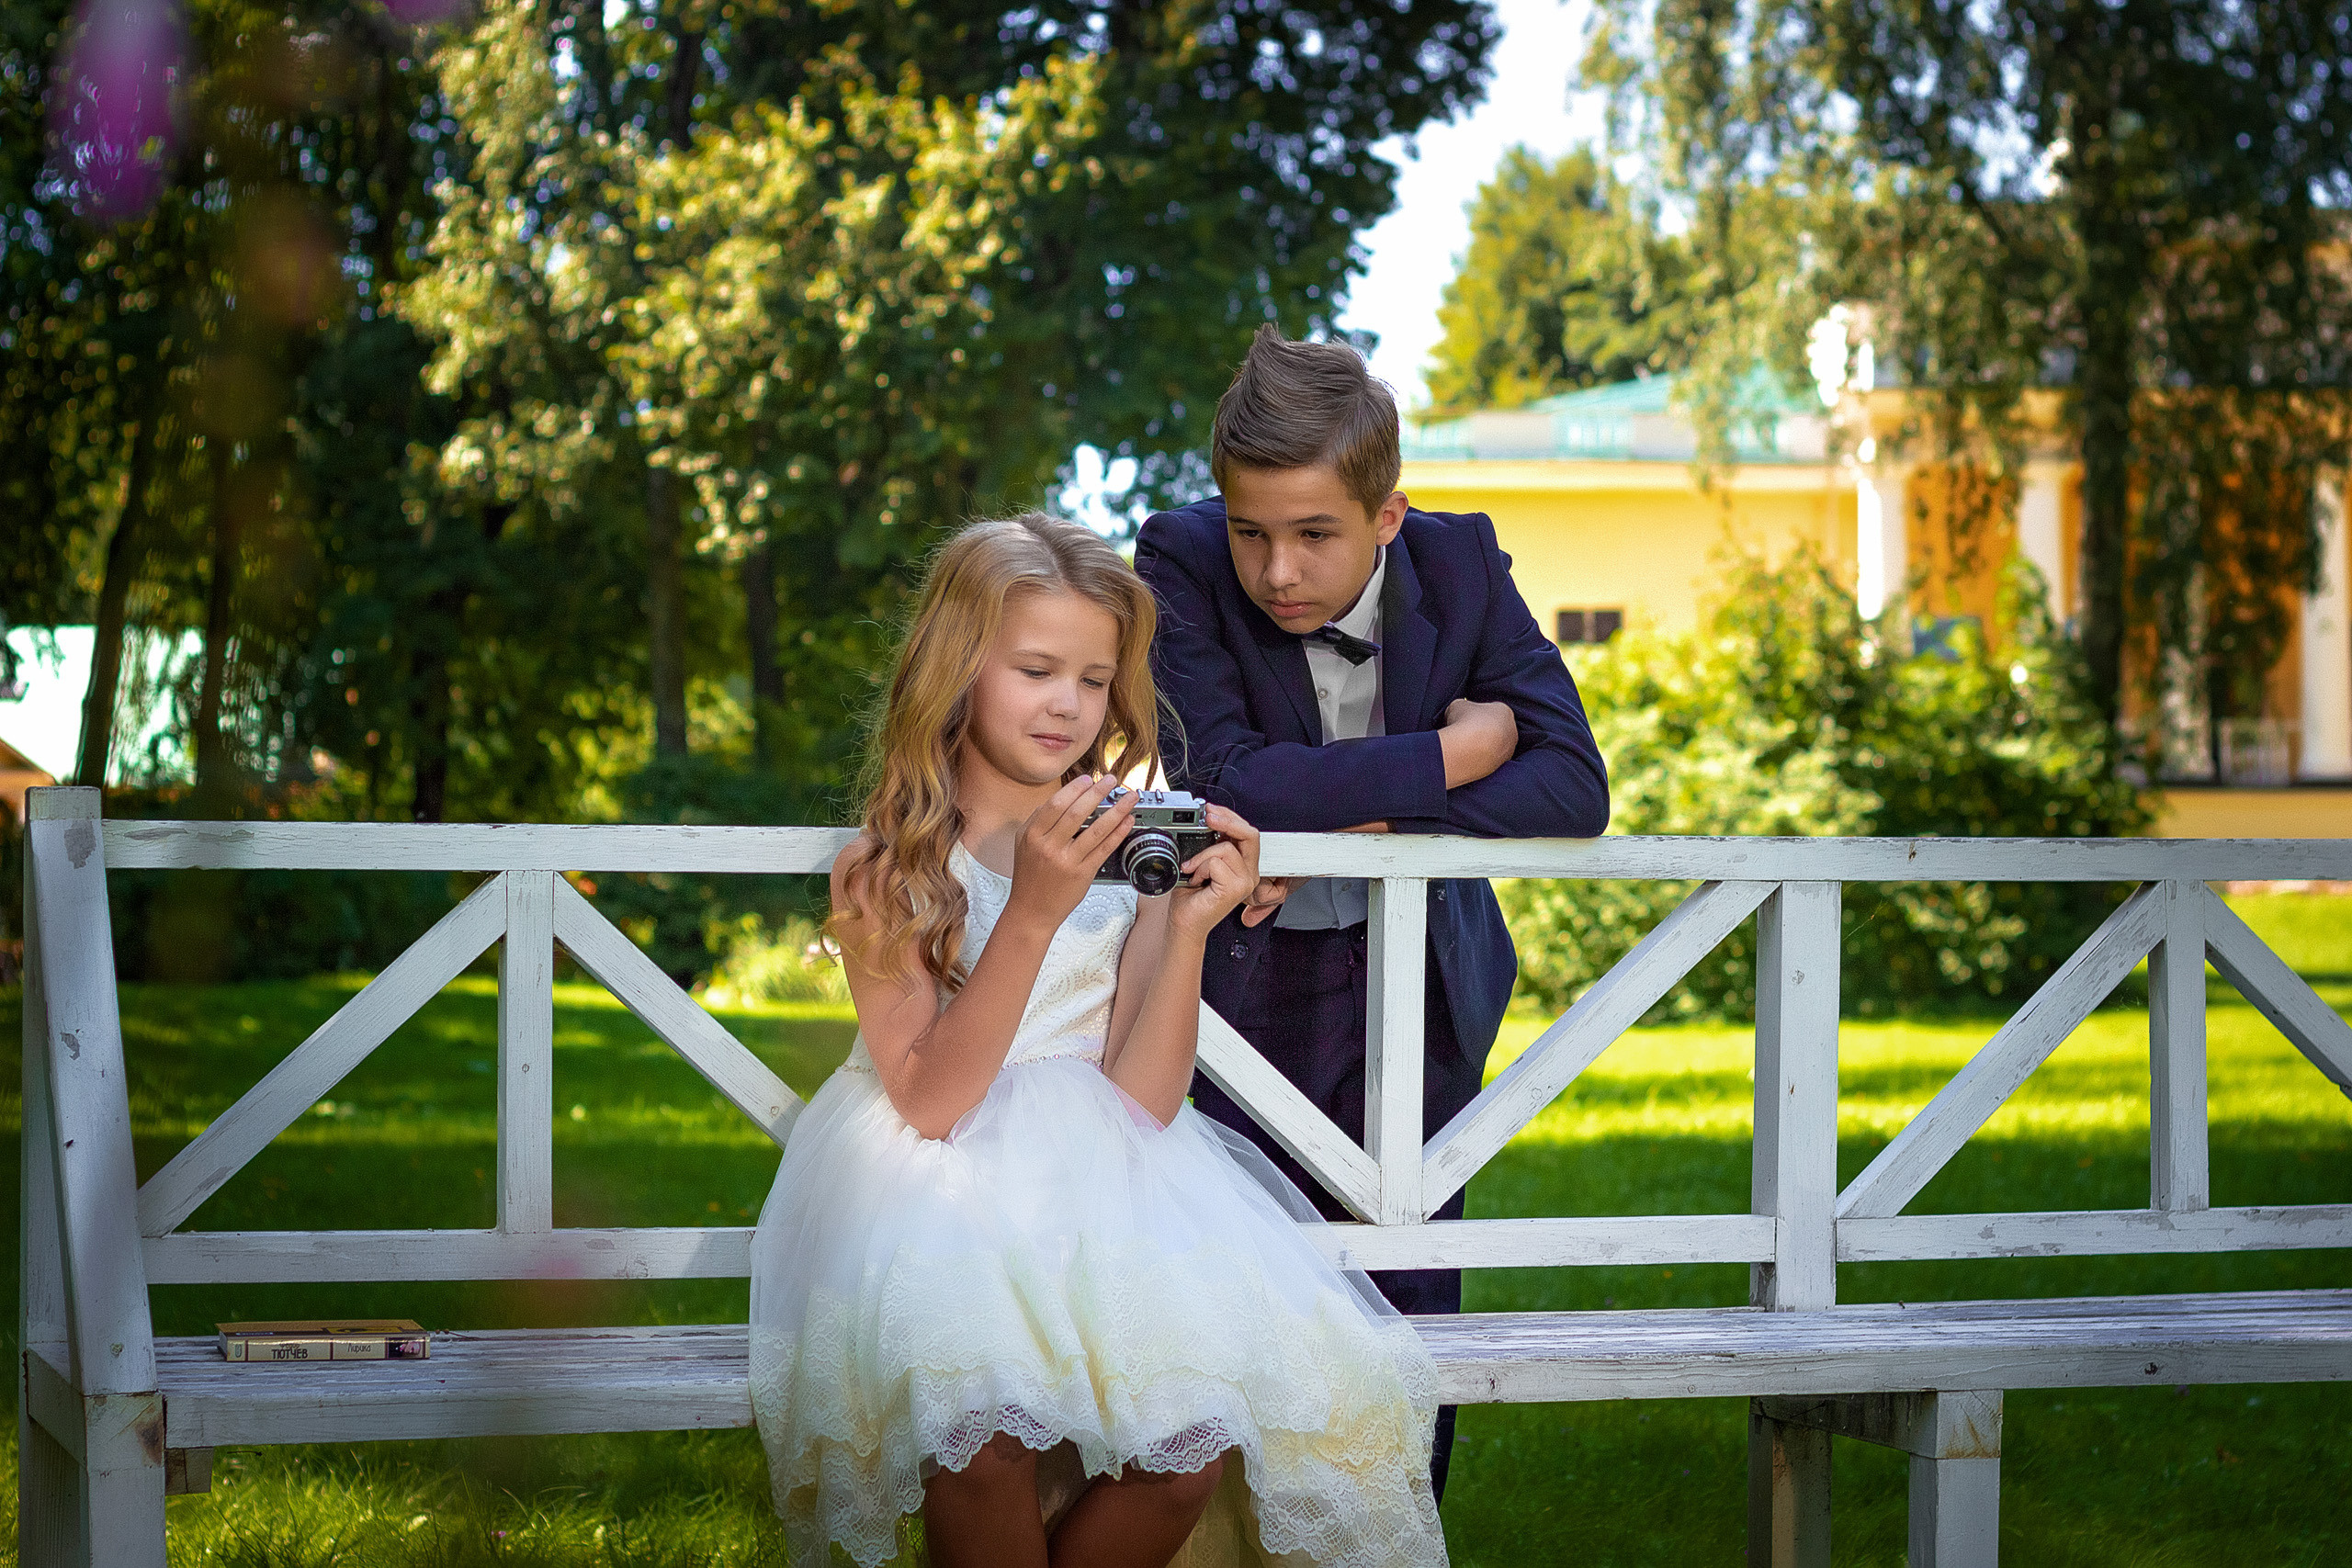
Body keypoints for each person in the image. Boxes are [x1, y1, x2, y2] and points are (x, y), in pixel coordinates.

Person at [748, 513, 1448, 1568]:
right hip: (934, 1200)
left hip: (1114, 1195)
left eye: (1093, 678)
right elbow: (930, 1102)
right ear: (955, 668)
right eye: (1035, 670)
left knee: (1186, 1447)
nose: (1068, 705)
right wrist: (1031, 911)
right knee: (980, 1438)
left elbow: (1143, 1102)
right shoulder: (892, 868)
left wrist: (1188, 925)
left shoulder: (1135, 849)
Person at [1134, 328, 1611, 1500]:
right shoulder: (1178, 556)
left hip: (1425, 977)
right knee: (1244, 1285)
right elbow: (1229, 778)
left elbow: (1573, 787)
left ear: (1387, 515)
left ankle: (1400, 1534)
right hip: (1246, 980)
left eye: (1314, 535)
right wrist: (1453, 756)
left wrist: (1379, 818)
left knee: (1412, 1297)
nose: (1276, 572)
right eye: (1251, 532)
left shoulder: (1460, 562)